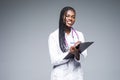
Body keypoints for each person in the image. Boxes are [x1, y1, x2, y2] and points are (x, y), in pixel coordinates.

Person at [48, 6, 87, 80]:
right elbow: (54, 60)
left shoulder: (79, 35)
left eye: (73, 17)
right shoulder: (53, 36)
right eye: (67, 16)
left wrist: (76, 53)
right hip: (60, 76)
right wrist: (70, 53)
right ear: (62, 17)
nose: (70, 19)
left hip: (76, 75)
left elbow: (84, 57)